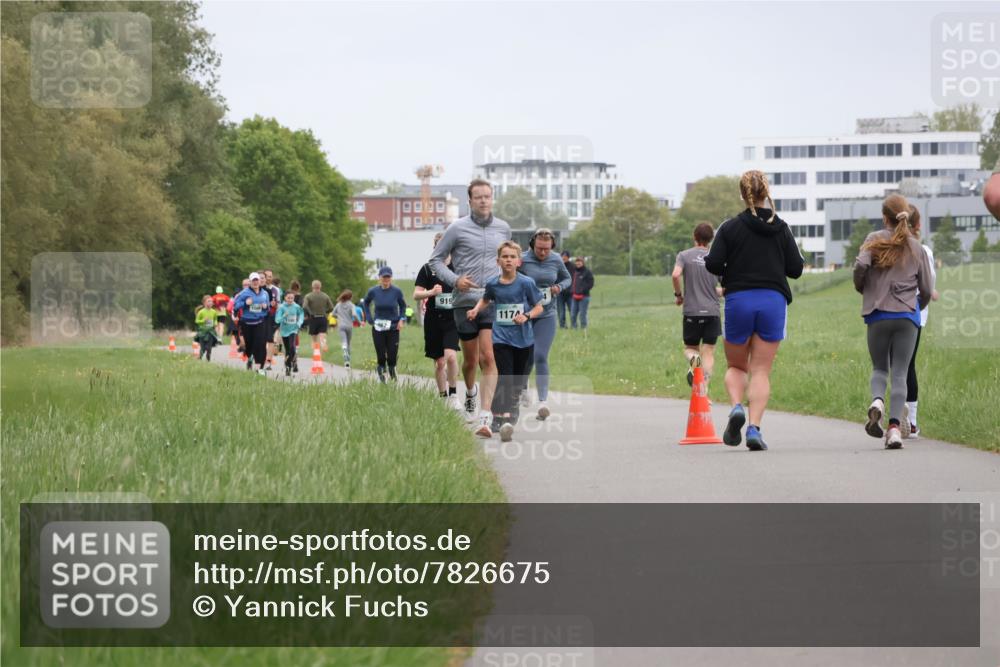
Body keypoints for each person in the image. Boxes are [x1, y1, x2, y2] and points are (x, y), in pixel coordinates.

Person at [705, 170, 804, 451]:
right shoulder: (781, 227)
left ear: (742, 193)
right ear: (766, 192)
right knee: (760, 370)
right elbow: (795, 269)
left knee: (737, 366)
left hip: (739, 300)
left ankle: (736, 407)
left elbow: (712, 264)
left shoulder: (730, 227)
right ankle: (754, 428)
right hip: (773, 301)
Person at [429, 179, 512, 431]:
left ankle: (486, 415)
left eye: (487, 196)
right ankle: (471, 393)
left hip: (492, 300)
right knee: (470, 361)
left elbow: (509, 261)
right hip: (464, 302)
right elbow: (435, 261)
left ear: (492, 198)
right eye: (479, 197)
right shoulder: (457, 228)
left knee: (488, 356)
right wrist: (455, 280)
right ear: (470, 201)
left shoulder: (503, 228)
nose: (484, 200)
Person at [854, 194, 933, 449]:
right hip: (907, 315)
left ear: (884, 217)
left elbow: (859, 267)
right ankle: (895, 429)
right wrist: (916, 306)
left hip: (878, 313)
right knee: (900, 372)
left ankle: (877, 400)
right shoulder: (916, 247)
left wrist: (863, 288)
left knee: (880, 368)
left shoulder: (873, 240)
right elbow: (927, 289)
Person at [467, 241, 544, 441]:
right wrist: (476, 309)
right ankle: (500, 419)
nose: (508, 260)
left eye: (512, 257)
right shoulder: (493, 283)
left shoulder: (526, 283)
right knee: (504, 377)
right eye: (505, 256)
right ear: (498, 261)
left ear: (518, 261)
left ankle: (512, 408)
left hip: (524, 339)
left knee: (517, 380)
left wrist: (526, 316)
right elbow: (486, 299)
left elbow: (539, 307)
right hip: (501, 337)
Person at [517, 228, 572, 419]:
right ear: (533, 244)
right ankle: (522, 386)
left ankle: (542, 401)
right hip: (525, 314)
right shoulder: (522, 259)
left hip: (547, 314)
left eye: (546, 249)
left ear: (552, 247)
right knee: (526, 355)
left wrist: (559, 287)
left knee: (540, 355)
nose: (543, 253)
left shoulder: (556, 259)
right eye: (540, 248)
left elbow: (567, 278)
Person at [672, 223, 723, 387]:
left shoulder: (684, 256)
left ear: (694, 236)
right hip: (712, 312)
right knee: (708, 351)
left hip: (692, 312)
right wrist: (714, 291)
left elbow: (675, 275)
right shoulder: (717, 258)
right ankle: (703, 390)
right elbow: (726, 287)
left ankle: (695, 361)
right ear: (711, 239)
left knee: (690, 349)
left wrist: (679, 296)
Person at [414, 233, 461, 408]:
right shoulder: (427, 269)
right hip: (433, 319)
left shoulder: (458, 268)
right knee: (440, 362)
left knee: (450, 357)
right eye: (438, 246)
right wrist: (431, 292)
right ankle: (442, 397)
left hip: (453, 318)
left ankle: (454, 394)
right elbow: (416, 294)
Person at [904, 204, 938, 438]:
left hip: (887, 310)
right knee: (908, 365)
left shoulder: (887, 246)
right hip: (916, 312)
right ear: (918, 225)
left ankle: (894, 417)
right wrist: (930, 293)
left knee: (893, 366)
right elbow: (930, 284)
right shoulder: (923, 250)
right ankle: (911, 422)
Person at [363, 266, 407, 383]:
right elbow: (366, 303)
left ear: (391, 278)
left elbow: (403, 306)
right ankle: (382, 382)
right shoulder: (373, 291)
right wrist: (368, 317)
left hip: (393, 328)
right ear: (379, 278)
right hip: (378, 328)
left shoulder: (397, 291)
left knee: (392, 357)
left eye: (388, 277)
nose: (386, 279)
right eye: (384, 277)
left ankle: (393, 378)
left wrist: (402, 319)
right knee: (381, 356)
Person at [232, 272, 272, 374]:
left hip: (260, 322)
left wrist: (265, 306)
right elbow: (235, 306)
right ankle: (250, 358)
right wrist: (245, 303)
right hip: (247, 323)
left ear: (260, 281)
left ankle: (260, 368)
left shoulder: (265, 293)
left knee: (260, 344)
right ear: (250, 282)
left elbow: (268, 308)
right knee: (249, 346)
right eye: (253, 280)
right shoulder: (244, 293)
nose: (255, 282)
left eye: (257, 280)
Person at [275, 291, 305, 376]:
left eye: (292, 298)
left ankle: (290, 363)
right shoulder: (281, 307)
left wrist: (299, 322)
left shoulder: (296, 306)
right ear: (285, 298)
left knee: (292, 346)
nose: (290, 300)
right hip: (284, 331)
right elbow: (277, 320)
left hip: (293, 329)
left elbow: (301, 314)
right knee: (288, 349)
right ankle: (290, 366)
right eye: (288, 298)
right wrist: (284, 316)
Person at [303, 280, 335, 352]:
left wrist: (309, 313)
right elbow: (332, 307)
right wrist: (325, 312)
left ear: (312, 286)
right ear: (320, 286)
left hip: (313, 318)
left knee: (314, 338)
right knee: (322, 334)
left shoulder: (308, 296)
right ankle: (323, 343)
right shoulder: (325, 296)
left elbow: (304, 306)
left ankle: (316, 352)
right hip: (323, 318)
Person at [332, 290, 359, 369]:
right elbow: (354, 314)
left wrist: (339, 317)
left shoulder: (338, 304)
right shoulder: (351, 305)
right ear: (350, 297)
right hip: (349, 326)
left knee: (344, 342)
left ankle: (345, 359)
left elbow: (333, 314)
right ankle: (348, 362)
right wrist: (359, 322)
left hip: (341, 326)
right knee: (349, 343)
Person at [263, 269, 281, 370]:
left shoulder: (276, 290)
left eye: (270, 276)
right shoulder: (259, 289)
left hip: (271, 317)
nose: (269, 278)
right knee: (261, 339)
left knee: (270, 339)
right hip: (260, 317)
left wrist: (278, 317)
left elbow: (278, 304)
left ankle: (268, 361)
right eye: (267, 276)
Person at [569, 257, 594, 330]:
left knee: (582, 314)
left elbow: (591, 283)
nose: (578, 263)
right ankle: (574, 328)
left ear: (583, 263)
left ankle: (583, 328)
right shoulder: (574, 271)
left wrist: (583, 290)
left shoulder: (587, 272)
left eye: (579, 262)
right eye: (577, 262)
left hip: (584, 296)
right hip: (574, 296)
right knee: (573, 314)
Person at [194, 295, 221, 361]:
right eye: (209, 301)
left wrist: (215, 324)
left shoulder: (214, 312)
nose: (211, 303)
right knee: (203, 348)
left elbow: (215, 320)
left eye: (211, 301)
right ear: (204, 303)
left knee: (209, 348)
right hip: (202, 332)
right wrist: (203, 320)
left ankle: (208, 359)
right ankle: (199, 358)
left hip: (210, 332)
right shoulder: (201, 312)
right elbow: (196, 321)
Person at [557, 250, 575, 329]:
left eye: (565, 257)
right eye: (562, 257)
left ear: (568, 257)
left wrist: (573, 289)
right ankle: (562, 326)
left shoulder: (573, 267)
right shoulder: (558, 266)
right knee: (561, 312)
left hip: (570, 293)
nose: (564, 258)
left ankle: (574, 325)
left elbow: (574, 279)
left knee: (572, 310)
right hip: (560, 293)